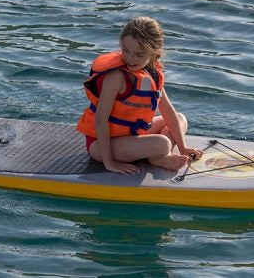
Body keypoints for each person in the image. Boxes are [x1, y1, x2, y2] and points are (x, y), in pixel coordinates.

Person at [76, 16, 203, 173]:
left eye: (139, 54)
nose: (130, 58)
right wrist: (110, 162)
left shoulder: (152, 75)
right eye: (125, 50)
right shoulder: (117, 77)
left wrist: (183, 147)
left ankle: (159, 156)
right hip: (103, 145)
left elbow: (168, 111)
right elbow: (100, 120)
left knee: (179, 118)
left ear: (155, 54)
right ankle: (158, 155)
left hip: (133, 136)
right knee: (162, 143)